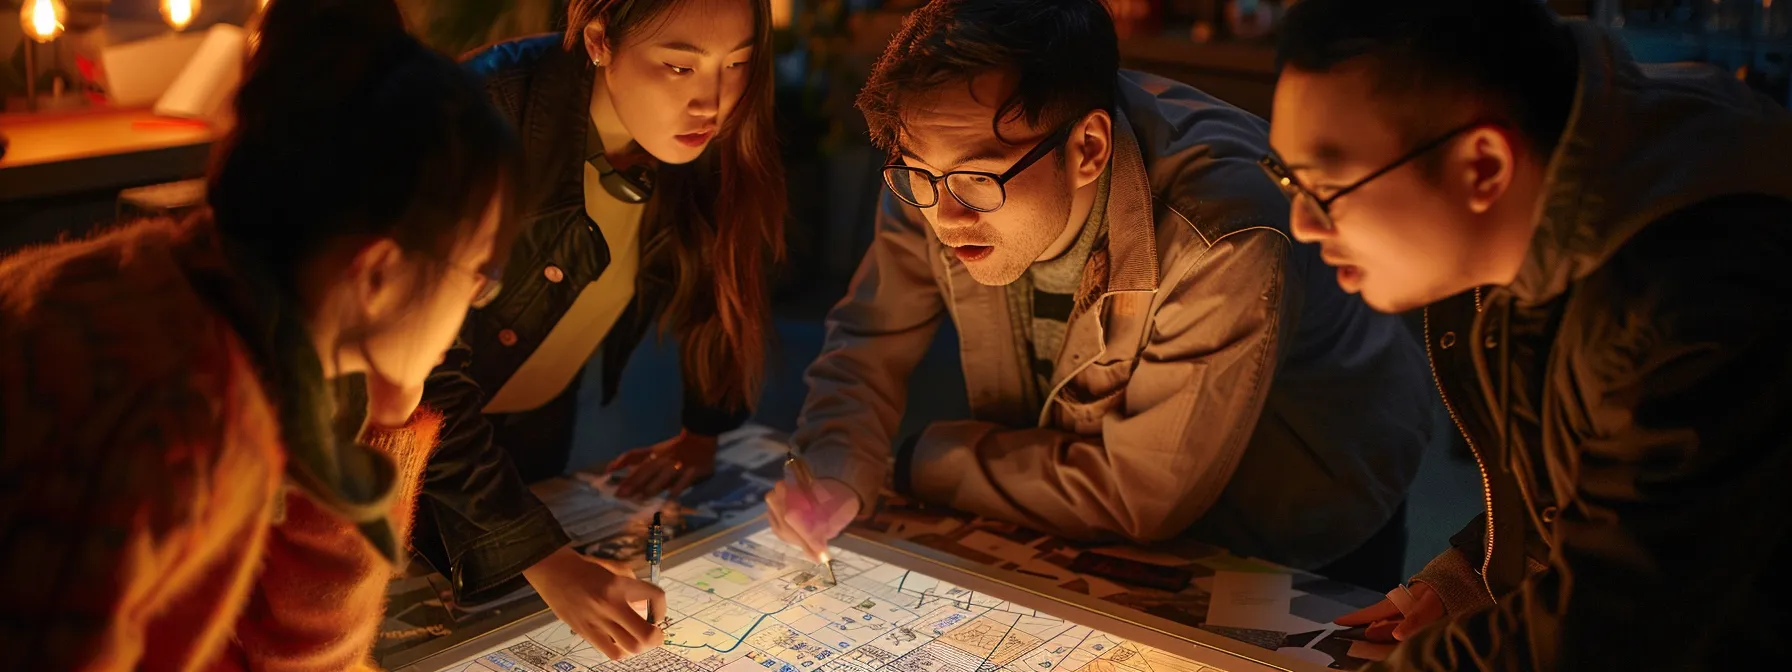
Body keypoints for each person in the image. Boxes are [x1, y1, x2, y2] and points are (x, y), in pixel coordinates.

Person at [0, 0, 615, 669]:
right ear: (377, 272)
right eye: (479, 274)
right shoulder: (184, 416)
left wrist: (391, 409)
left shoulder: (180, 289)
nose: (476, 301)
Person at [765, 0, 1437, 589]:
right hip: (1082, 513)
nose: (944, 215)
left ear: (1087, 148)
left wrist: (915, 460)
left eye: (975, 180)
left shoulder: (1222, 232)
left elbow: (1138, 495)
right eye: (916, 175)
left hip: (1298, 512)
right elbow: (871, 342)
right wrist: (836, 467)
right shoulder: (940, 169)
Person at [1266, 0, 1792, 668]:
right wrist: (1474, 568)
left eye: (1325, 187)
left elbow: (1616, 629)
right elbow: (1594, 469)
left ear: (1482, 165)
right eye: (1284, 177)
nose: (1304, 225)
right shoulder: (1542, 198)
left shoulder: (1690, 301)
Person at [412, 0, 784, 652]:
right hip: (403, 444)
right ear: (599, 40)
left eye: (738, 66)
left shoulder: (694, 141)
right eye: (679, 66)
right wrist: (545, 559)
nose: (714, 101)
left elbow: (714, 278)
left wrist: (703, 430)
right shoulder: (481, 117)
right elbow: (415, 372)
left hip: (530, 425)